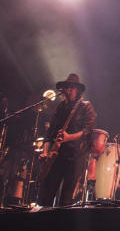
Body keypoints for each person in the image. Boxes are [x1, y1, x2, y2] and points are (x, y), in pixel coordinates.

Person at [39, 73, 96, 207]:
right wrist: (45, 151)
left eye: (72, 88)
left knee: (66, 198)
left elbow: (88, 131)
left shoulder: (85, 107)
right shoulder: (60, 108)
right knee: (46, 194)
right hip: (56, 156)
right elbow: (50, 133)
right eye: (67, 87)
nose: (69, 90)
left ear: (78, 90)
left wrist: (69, 137)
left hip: (75, 157)